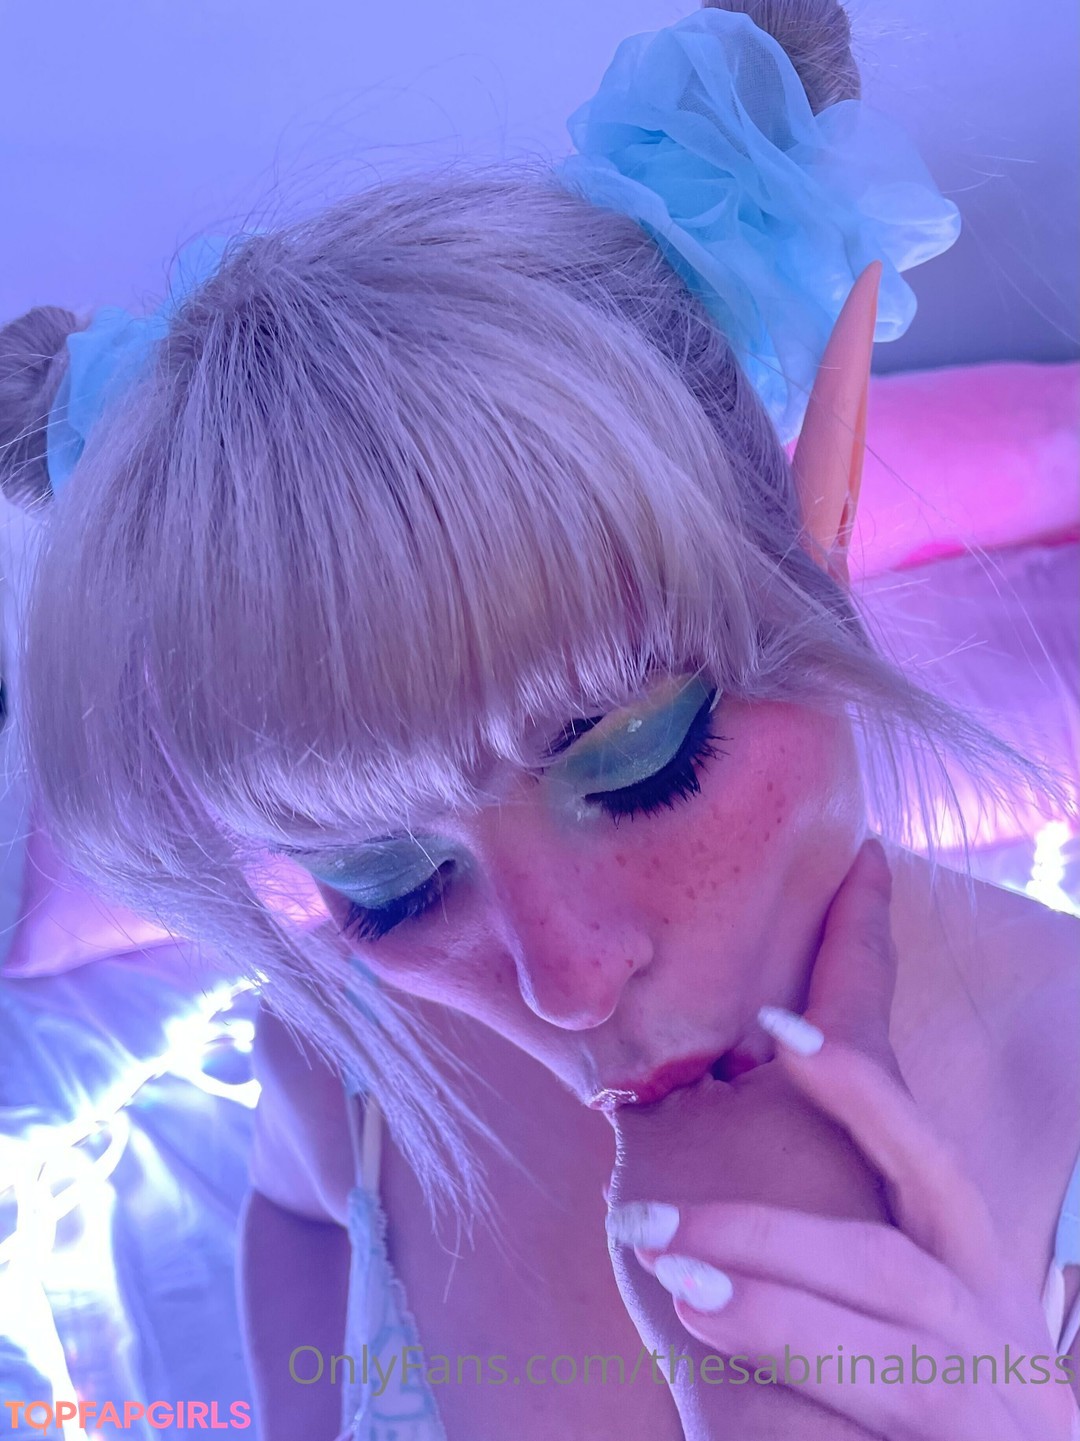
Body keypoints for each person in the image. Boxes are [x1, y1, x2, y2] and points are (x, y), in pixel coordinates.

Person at [3, 3, 1078, 1438]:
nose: (562, 983)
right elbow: (298, 1220)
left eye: (637, 758)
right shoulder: (356, 1050)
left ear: (814, 561)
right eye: (387, 875)